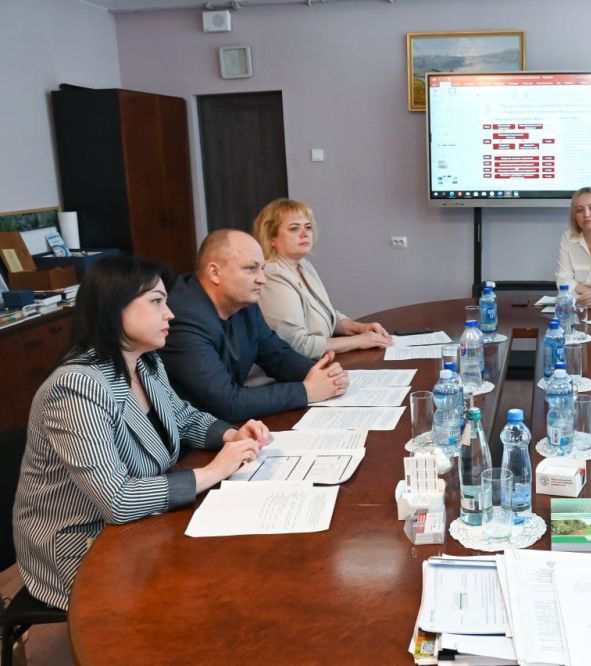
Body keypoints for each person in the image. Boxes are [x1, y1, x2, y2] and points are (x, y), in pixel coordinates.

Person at [13, 255, 269, 611]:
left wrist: (232, 436)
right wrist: (213, 471)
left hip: (139, 525)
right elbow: (117, 499)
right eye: (157, 302)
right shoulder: (76, 387)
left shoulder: (146, 361)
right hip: (84, 543)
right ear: (115, 308)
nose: (170, 314)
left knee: (238, 563)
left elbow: (183, 417)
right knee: (214, 587)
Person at [160, 229, 349, 422]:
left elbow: (278, 355)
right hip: (195, 434)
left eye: (262, 269)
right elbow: (226, 402)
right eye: (251, 269)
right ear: (215, 272)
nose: (262, 279)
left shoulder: (244, 303)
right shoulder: (183, 317)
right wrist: (306, 391)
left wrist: (322, 374)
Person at [253, 198, 393, 357]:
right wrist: (358, 341)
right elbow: (296, 345)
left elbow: (327, 315)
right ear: (271, 238)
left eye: (308, 227)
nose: (305, 233)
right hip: (295, 369)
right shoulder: (272, 275)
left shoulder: (304, 265)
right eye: (294, 228)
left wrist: (360, 328)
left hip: (320, 361)